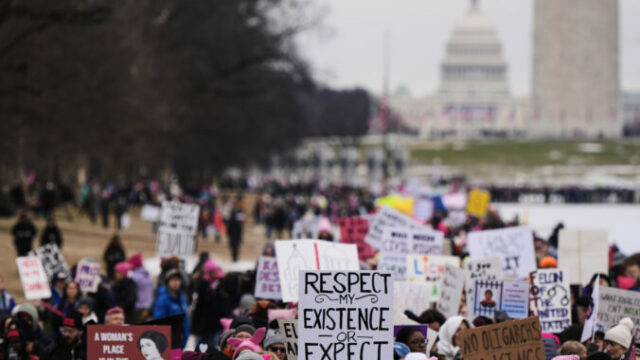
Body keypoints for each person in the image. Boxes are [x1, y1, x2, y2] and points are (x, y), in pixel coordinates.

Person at [152, 269, 190, 346]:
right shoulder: (162, 299)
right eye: (173, 280)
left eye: (178, 280)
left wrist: (186, 335)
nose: (175, 282)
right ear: (168, 282)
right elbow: (159, 320)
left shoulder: (182, 298)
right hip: (168, 341)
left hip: (180, 339)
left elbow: (186, 318)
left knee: (177, 357)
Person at [129, 253, 154, 323]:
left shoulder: (134, 277)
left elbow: (132, 293)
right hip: (149, 306)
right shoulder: (149, 276)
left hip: (138, 307)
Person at [226, 195, 245, 262]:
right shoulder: (231, 210)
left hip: (237, 230)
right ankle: (233, 257)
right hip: (232, 230)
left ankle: (236, 257)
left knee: (236, 246)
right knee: (232, 245)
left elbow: (241, 221)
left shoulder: (240, 210)